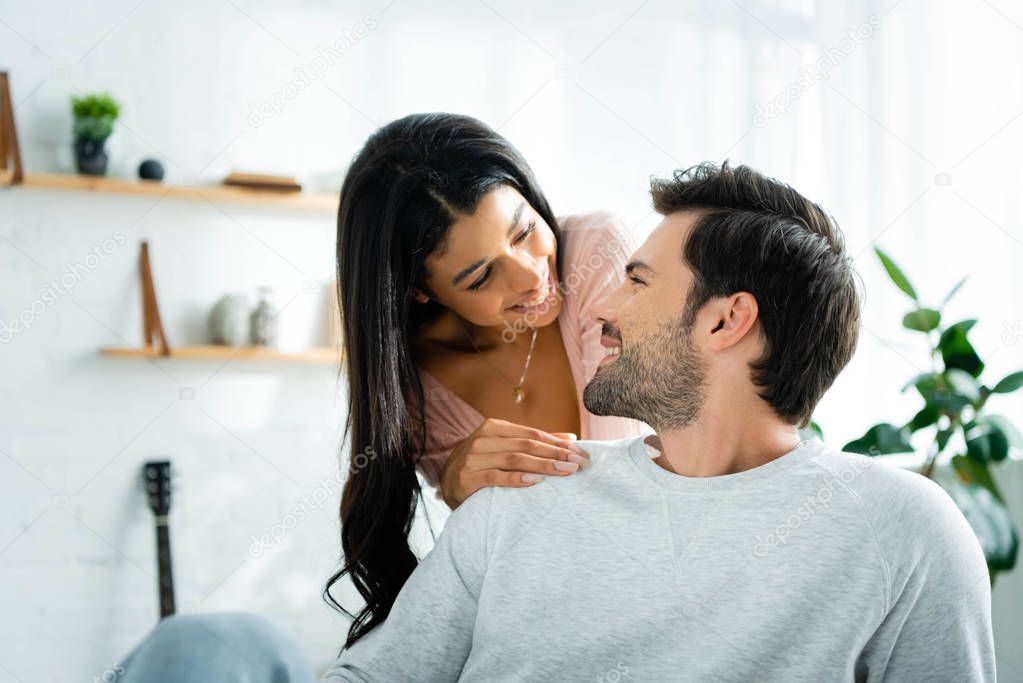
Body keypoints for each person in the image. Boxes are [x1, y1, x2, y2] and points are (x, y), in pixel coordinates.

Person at [322, 162, 995, 682]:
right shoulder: (517, 498)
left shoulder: (900, 529)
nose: (599, 307)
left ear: (725, 319)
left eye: (636, 281)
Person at [328, 112, 652, 648]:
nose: (531, 275)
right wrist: (458, 495)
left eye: (524, 231)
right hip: (545, 628)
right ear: (419, 293)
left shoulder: (597, 252)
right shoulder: (414, 390)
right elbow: (512, 565)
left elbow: (648, 475)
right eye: (481, 276)